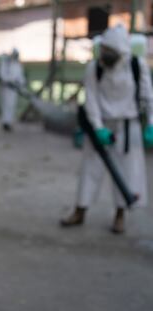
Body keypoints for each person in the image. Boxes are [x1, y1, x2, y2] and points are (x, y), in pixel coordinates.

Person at [61, 25, 153, 234]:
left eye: (110, 53)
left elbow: (148, 97)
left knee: (126, 173)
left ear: (121, 52)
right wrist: (98, 128)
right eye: (104, 51)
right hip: (100, 126)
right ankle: (80, 211)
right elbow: (91, 98)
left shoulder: (137, 66)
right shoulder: (95, 67)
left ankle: (120, 215)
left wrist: (151, 125)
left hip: (128, 127)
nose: (105, 56)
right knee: (89, 170)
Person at [0, 49, 25, 132]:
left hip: (14, 89)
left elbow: (20, 77)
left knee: (11, 105)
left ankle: (9, 122)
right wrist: (9, 81)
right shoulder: (5, 63)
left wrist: (21, 84)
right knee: (5, 105)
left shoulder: (17, 65)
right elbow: (2, 75)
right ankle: (5, 123)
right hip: (6, 88)